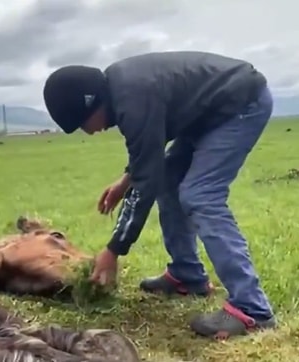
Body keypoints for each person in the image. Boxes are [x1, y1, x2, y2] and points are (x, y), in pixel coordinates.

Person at [42, 51, 277, 339]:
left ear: (91, 104)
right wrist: (125, 181)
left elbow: (145, 181)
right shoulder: (122, 89)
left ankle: (252, 308)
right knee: (168, 180)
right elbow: (148, 155)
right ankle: (188, 276)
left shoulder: (133, 97)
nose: (88, 133)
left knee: (201, 195)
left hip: (240, 107)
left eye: (82, 124)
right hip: (207, 115)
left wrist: (114, 249)